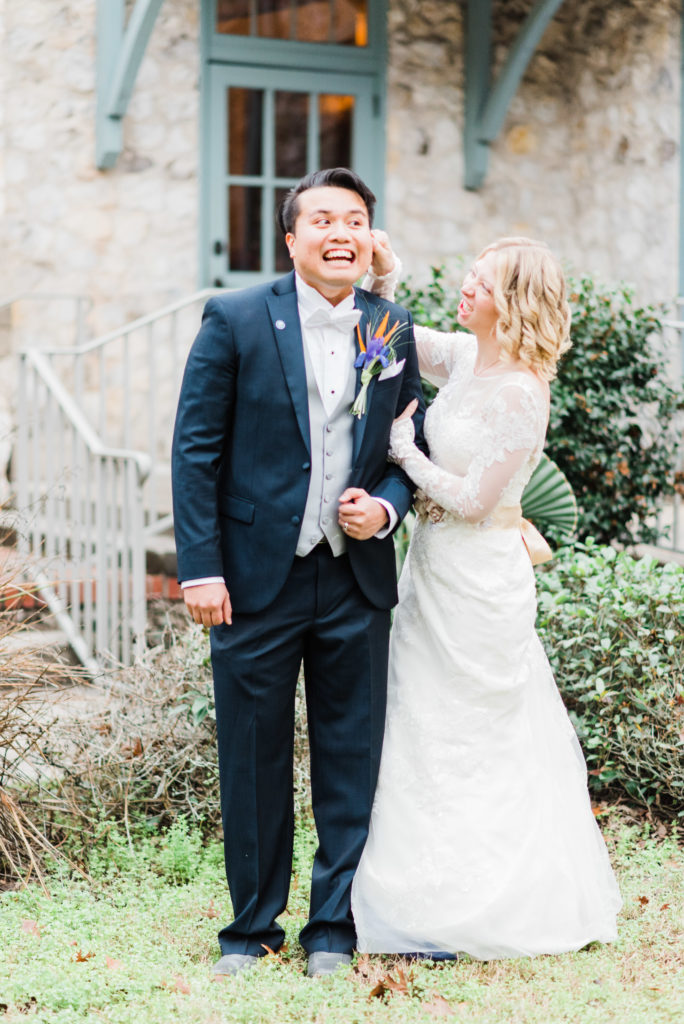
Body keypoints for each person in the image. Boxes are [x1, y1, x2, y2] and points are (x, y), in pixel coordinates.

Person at [171, 169, 425, 978]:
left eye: (354, 219)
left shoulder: (391, 326)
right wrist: (201, 569)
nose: (339, 232)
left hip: (355, 581)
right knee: (251, 754)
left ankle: (332, 927)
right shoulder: (238, 317)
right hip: (251, 580)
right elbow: (196, 450)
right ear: (292, 238)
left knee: (351, 756)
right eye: (322, 219)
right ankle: (250, 929)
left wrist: (384, 509)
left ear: (369, 238)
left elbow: (405, 455)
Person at [351, 235, 622, 959]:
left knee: (473, 728)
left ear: (514, 305)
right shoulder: (468, 358)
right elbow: (396, 337)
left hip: (482, 579)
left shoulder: (521, 393)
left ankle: (489, 897)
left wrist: (407, 455)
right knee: (421, 722)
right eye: (469, 275)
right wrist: (383, 274)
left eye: (481, 282)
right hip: (431, 571)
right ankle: (410, 886)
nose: (465, 288)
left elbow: (475, 501)